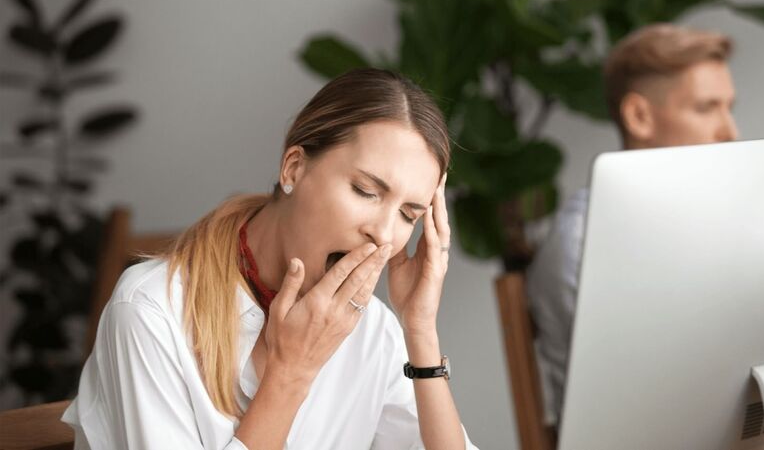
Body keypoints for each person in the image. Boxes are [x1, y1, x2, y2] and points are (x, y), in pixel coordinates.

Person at [62, 69, 478, 450]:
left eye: (408, 214)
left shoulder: (374, 331)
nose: (384, 234)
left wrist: (420, 330)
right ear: (294, 168)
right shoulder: (150, 311)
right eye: (366, 191)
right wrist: (291, 374)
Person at [527, 23, 738, 428]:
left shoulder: (719, 225)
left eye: (729, 108)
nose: (730, 132)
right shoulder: (585, 245)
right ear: (639, 116)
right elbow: (642, 404)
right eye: (706, 108)